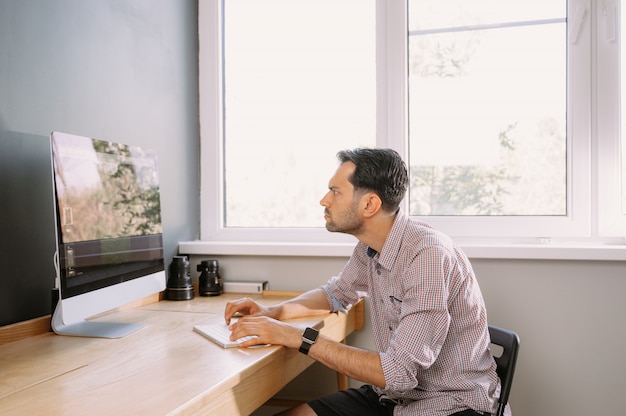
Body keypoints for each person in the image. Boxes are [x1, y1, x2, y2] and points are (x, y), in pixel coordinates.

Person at [224, 148, 505, 416]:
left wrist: (296, 336)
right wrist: (274, 313)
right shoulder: (370, 247)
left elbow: (398, 372)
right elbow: (336, 293)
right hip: (392, 397)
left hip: (448, 405)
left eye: (335, 192)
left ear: (370, 204)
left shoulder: (427, 256)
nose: (324, 200)